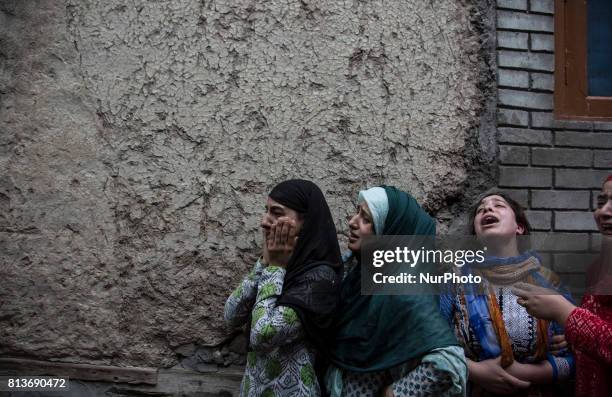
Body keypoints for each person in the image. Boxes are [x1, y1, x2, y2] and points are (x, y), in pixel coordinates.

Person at [327, 186, 467, 397]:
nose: (352, 222)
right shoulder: (355, 279)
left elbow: (450, 361)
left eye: (366, 219)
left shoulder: (404, 292)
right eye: (357, 213)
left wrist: (396, 393)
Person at [440, 192, 574, 396]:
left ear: (519, 227)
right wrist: (474, 371)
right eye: (480, 209)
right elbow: (432, 343)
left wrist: (528, 373)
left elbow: (574, 358)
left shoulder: (548, 282)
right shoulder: (454, 279)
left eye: (498, 205)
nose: (487, 208)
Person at [224, 179, 342, 397]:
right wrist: (264, 263)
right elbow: (231, 316)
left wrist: (275, 267)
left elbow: (263, 335)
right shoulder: (281, 266)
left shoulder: (320, 277)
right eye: (266, 211)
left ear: (304, 223)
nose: (264, 221)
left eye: (276, 213)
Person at [513, 174, 612, 397]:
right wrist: (573, 337)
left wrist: (565, 313)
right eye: (601, 202)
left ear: (519, 227)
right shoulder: (598, 268)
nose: (604, 211)